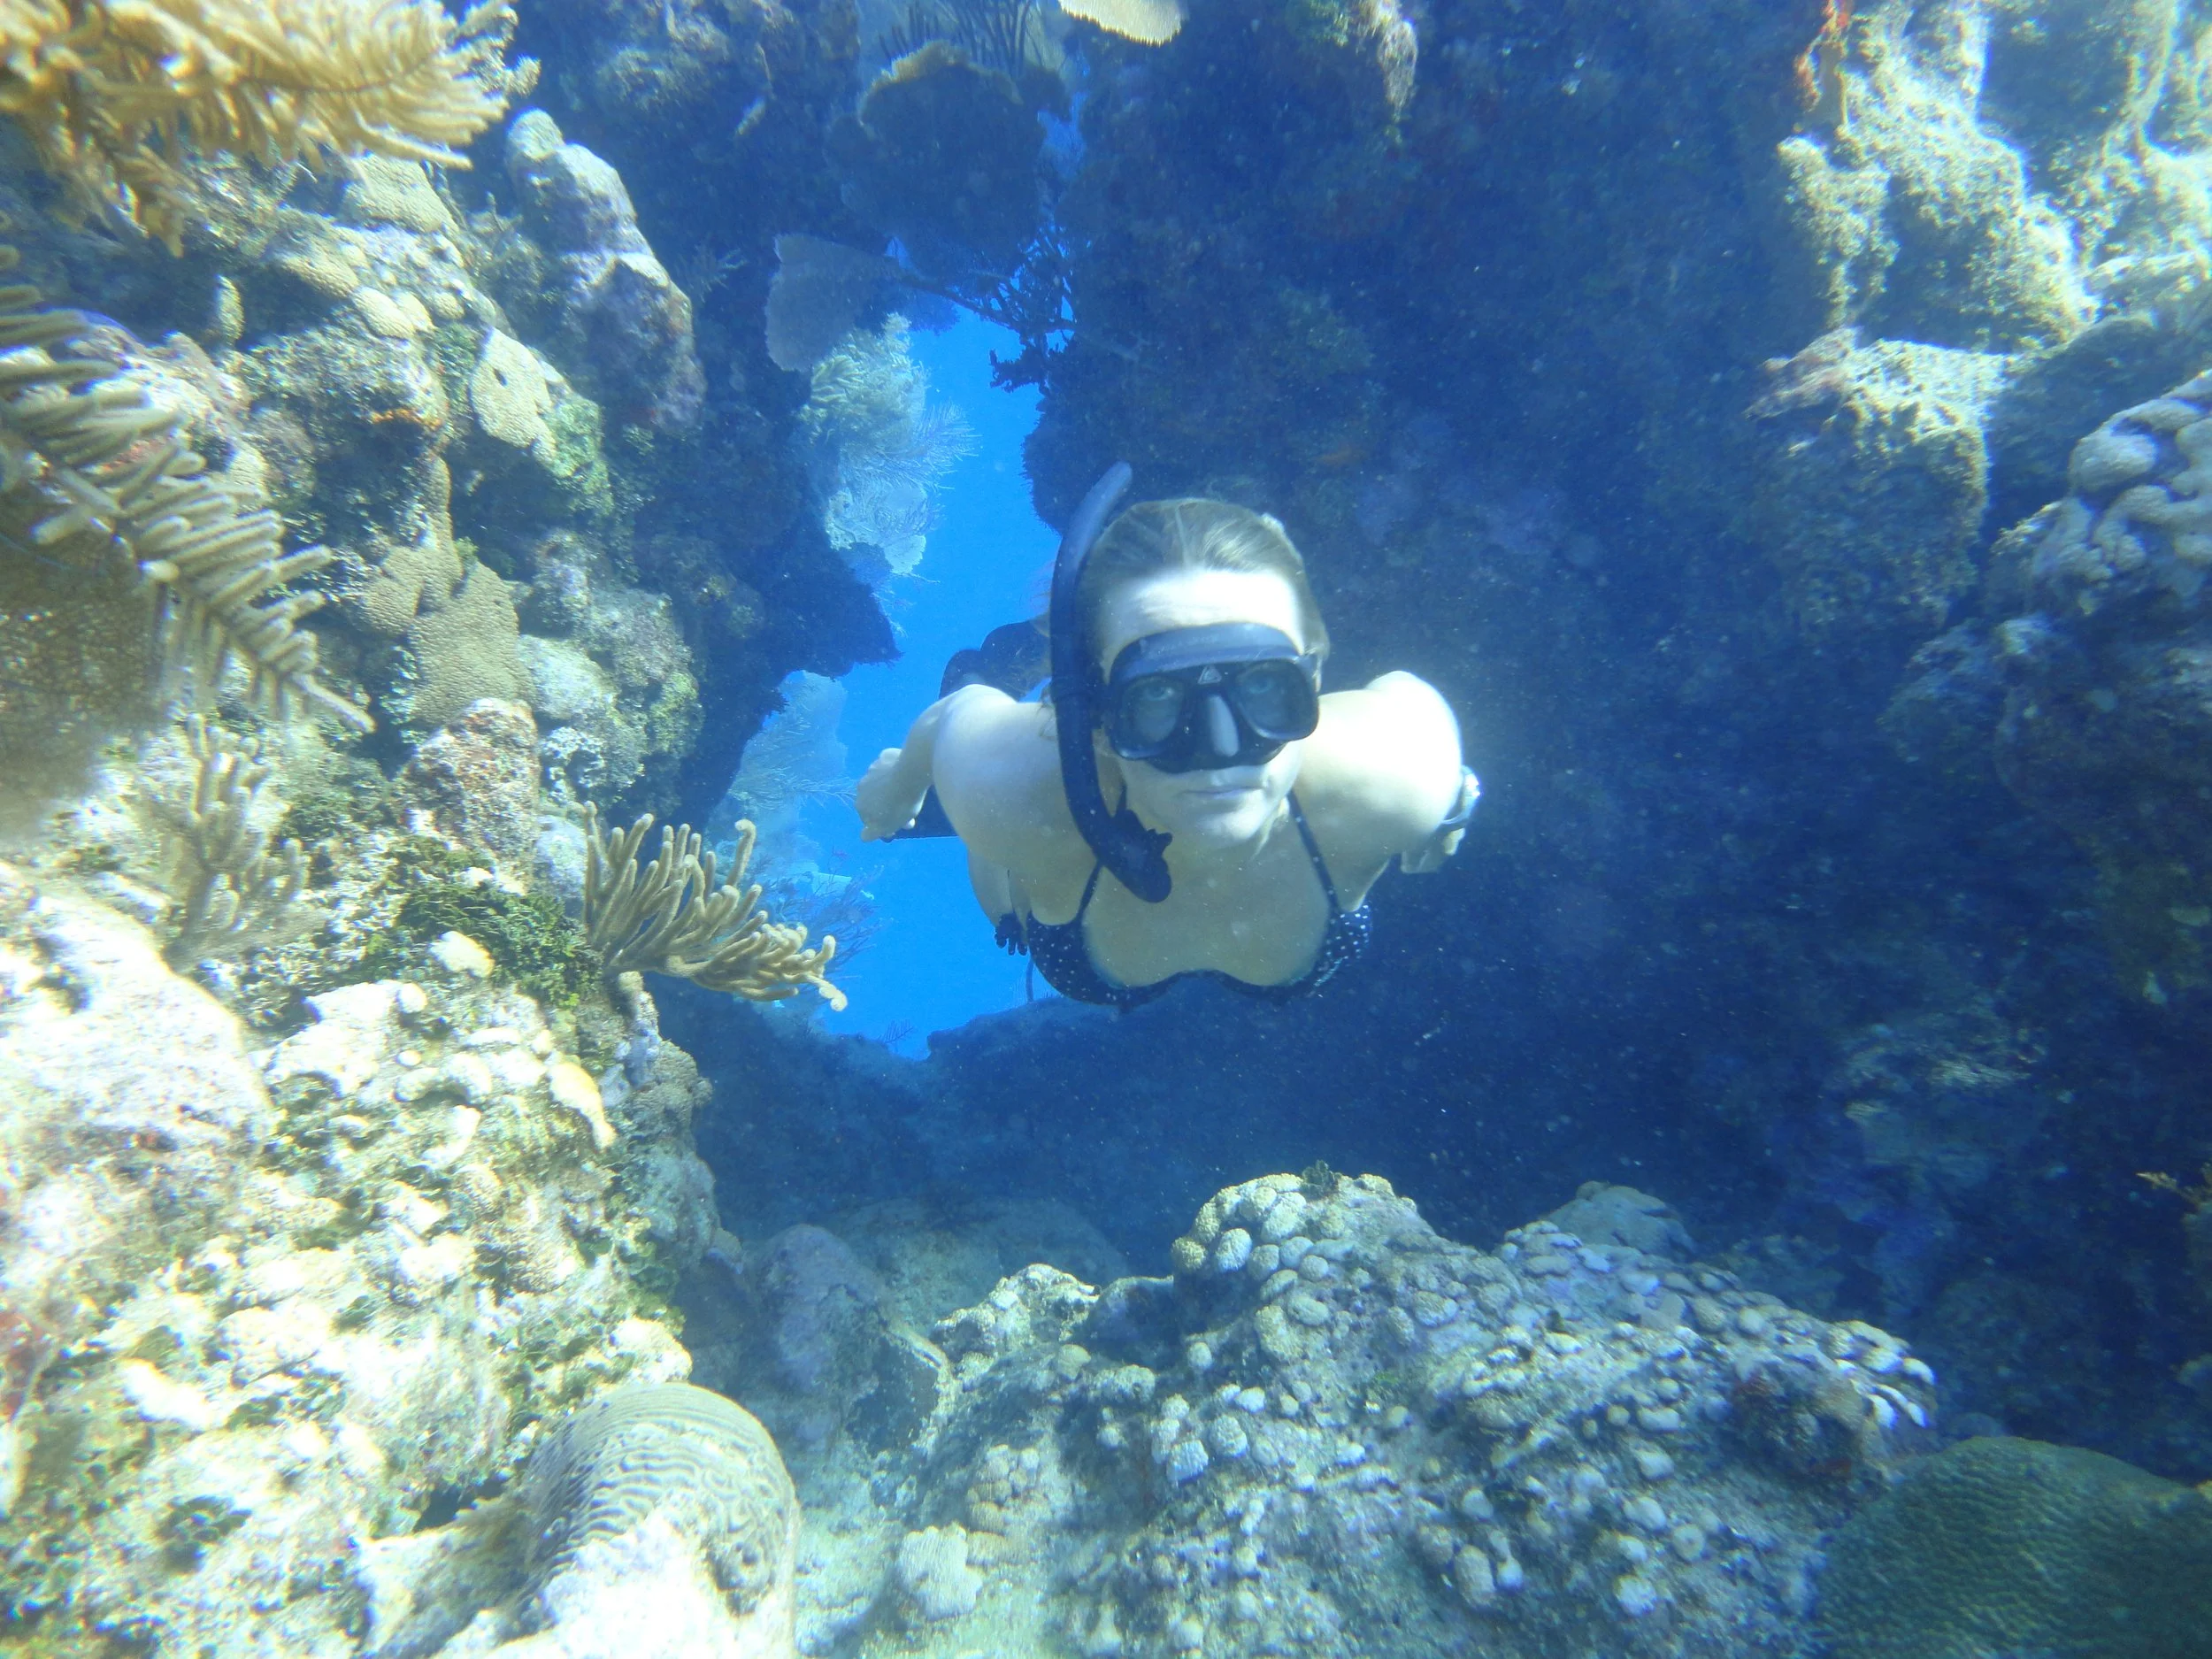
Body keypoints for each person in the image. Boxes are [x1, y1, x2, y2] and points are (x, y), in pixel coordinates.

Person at [856, 465, 1479, 1007]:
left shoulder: (1400, 775)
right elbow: (952, 718)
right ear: (1095, 719)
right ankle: (1041, 669)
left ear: (1314, 677)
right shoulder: (1013, 794)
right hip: (1053, 832)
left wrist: (1450, 803)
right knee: (991, 826)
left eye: (1263, 686)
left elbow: (1418, 705)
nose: (1218, 752)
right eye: (1155, 695)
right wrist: (901, 784)